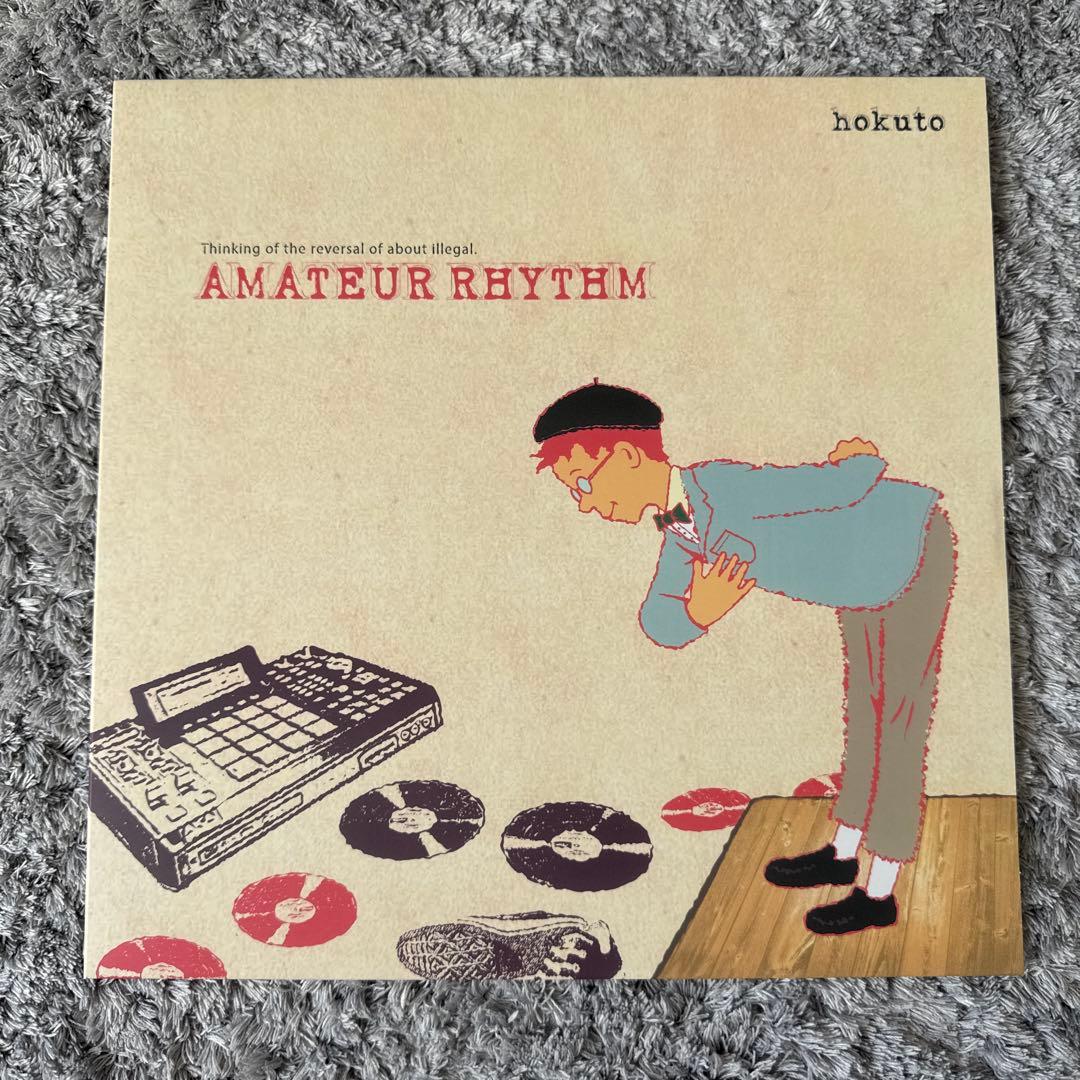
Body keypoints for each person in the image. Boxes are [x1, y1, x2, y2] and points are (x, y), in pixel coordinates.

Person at [532, 380, 956, 935]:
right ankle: (844, 850)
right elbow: (659, 615)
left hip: (911, 544)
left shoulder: (721, 486)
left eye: (584, 483)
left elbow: (829, 485)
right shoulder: (677, 522)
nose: (585, 502)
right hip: (859, 582)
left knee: (897, 715)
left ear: (629, 456)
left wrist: (862, 461)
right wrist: (697, 611)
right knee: (863, 706)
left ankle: (879, 893)